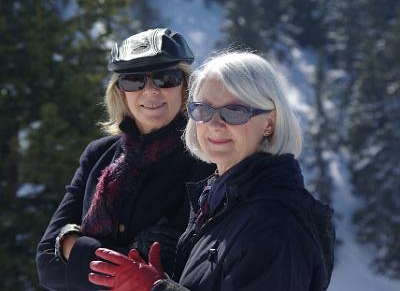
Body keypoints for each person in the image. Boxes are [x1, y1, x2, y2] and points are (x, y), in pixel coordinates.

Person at [88, 51, 336, 291]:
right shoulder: (219, 199)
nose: (215, 124)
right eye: (204, 110)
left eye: (235, 111)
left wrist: (154, 288)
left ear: (269, 122)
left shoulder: (276, 223)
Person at [36, 28, 215, 290]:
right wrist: (131, 259)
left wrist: (75, 246)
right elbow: (46, 266)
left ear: (186, 86)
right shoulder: (99, 155)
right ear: (120, 92)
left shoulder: (207, 160)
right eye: (134, 81)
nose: (150, 91)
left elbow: (182, 267)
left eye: (165, 78)